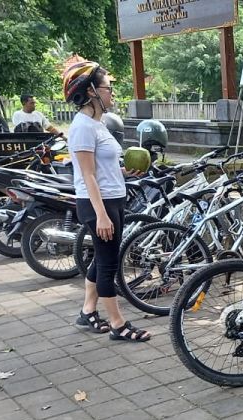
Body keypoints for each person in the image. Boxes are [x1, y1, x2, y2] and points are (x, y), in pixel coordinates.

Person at [63, 60, 150, 342]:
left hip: (113, 199)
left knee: (102, 261)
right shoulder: (83, 127)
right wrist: (101, 214)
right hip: (97, 204)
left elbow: (101, 168)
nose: (112, 93)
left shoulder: (97, 125)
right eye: (107, 88)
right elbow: (87, 175)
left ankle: (88, 311)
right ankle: (118, 324)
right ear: (90, 91)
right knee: (109, 264)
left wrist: (124, 172)